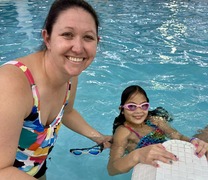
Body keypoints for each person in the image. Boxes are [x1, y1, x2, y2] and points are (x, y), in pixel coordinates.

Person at [0, 0, 111, 179]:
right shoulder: (13, 84)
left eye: (88, 37)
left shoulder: (69, 74)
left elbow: (67, 112)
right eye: (67, 34)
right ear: (47, 38)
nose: (78, 48)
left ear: (97, 42)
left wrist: (99, 138)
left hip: (34, 170)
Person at [107, 85, 208, 176]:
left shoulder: (155, 120)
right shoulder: (123, 132)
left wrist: (192, 141)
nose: (139, 111)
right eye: (131, 106)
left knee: (204, 145)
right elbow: (112, 168)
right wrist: (136, 155)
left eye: (144, 106)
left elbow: (178, 136)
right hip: (153, 168)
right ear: (121, 109)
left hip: (171, 156)